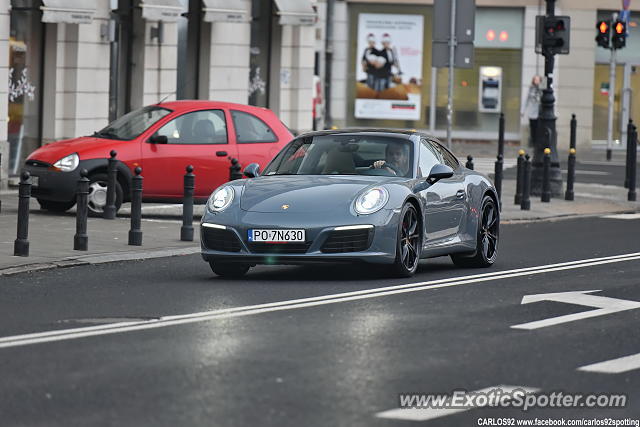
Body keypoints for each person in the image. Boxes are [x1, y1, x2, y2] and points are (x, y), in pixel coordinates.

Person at [522, 75, 542, 147]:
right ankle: (534, 143)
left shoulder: (541, 89)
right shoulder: (531, 88)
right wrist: (523, 111)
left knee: (538, 129)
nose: (536, 81)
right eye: (535, 79)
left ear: (540, 81)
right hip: (531, 113)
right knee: (533, 128)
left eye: (537, 80)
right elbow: (526, 100)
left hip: (539, 113)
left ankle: (538, 143)